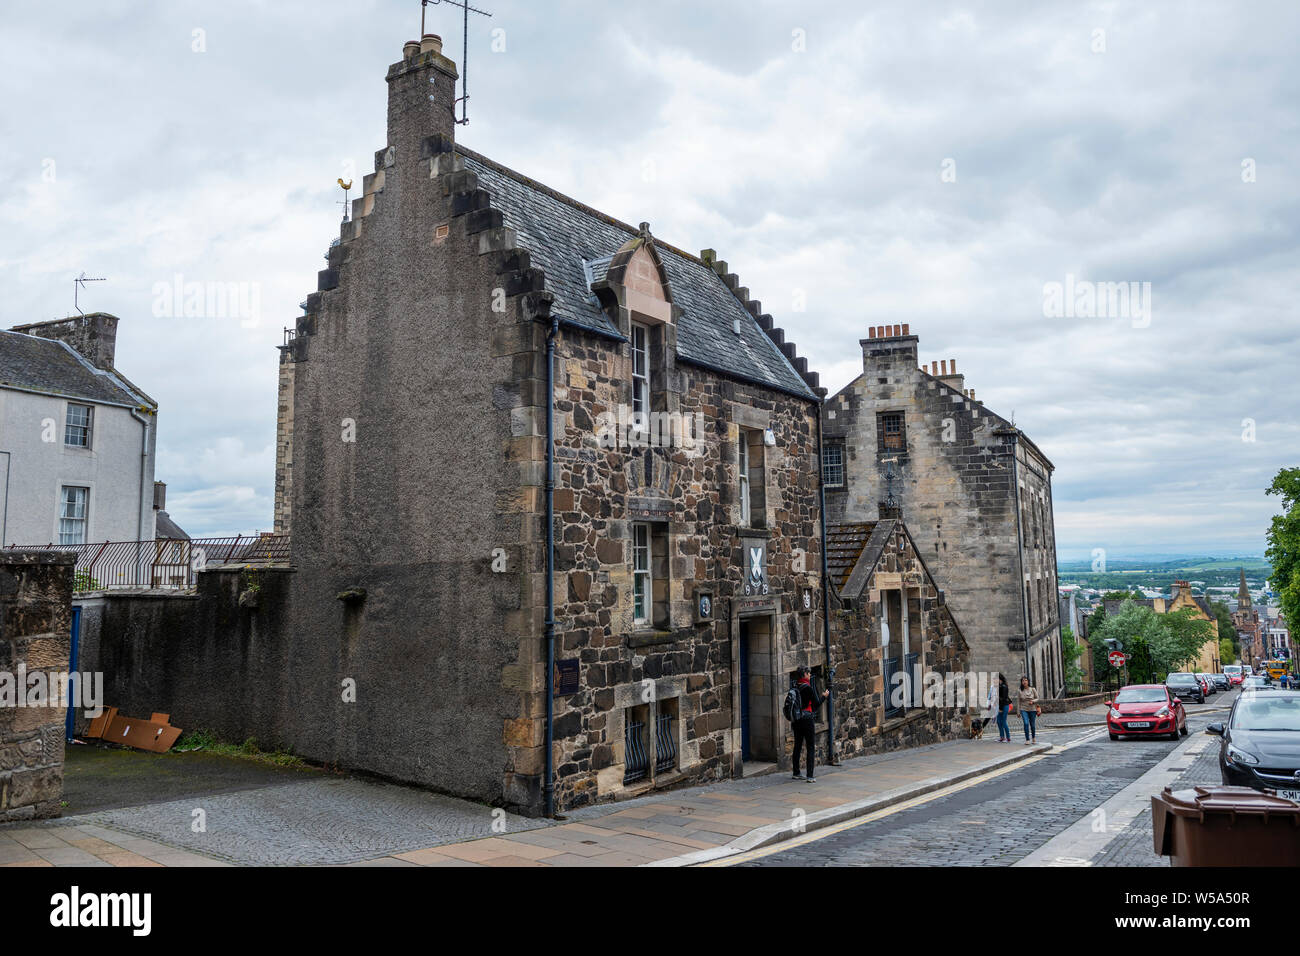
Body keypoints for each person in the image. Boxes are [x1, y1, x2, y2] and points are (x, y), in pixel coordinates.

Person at [791, 666, 830, 782]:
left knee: (797, 745)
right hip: (807, 719)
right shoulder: (808, 688)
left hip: (797, 719)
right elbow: (816, 704)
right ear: (805, 674)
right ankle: (810, 776)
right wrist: (824, 696)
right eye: (808, 673)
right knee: (810, 746)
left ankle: (796, 772)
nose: (810, 675)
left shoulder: (795, 687)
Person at [1018, 675, 1040, 744]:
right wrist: (1018, 712)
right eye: (1023, 681)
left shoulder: (1033, 689)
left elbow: (1037, 698)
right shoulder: (1019, 691)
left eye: (1026, 680)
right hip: (1023, 709)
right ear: (1021, 682)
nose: (1024, 682)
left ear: (1028, 681)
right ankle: (1027, 739)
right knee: (1026, 723)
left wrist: (1033, 701)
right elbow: (1018, 702)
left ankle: (1033, 738)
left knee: (1032, 724)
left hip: (1032, 709)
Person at [995, 673, 1011, 742]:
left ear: (999, 679)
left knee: (1003, 721)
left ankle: (1008, 737)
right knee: (998, 721)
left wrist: (1000, 708)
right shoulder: (999, 686)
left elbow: (1004, 698)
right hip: (1000, 705)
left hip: (1004, 706)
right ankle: (1002, 737)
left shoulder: (1004, 686)